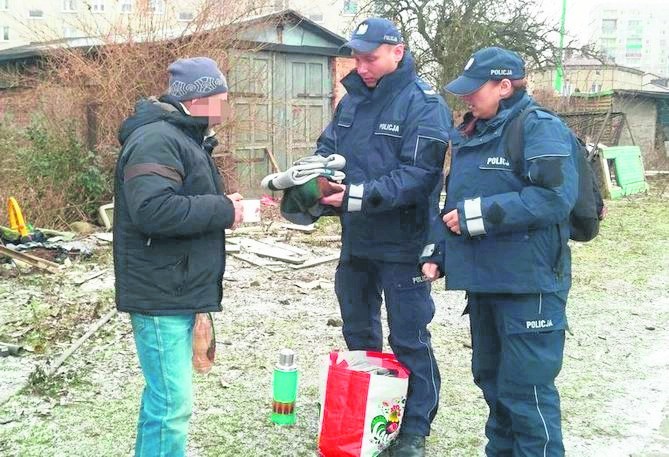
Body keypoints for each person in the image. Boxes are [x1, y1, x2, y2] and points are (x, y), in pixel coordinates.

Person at [423, 47, 579, 456]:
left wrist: (480, 215)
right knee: (492, 383)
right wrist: (439, 250)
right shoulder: (473, 132)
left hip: (530, 286)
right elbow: (457, 202)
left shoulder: (539, 128)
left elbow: (554, 198)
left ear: (505, 86)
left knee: (526, 392)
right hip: (485, 281)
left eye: (476, 89)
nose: (467, 97)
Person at [316, 18, 452, 457]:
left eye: (370, 57)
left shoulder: (424, 104)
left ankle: (414, 429)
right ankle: (369, 408)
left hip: (404, 243)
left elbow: (418, 177)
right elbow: (327, 149)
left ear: (398, 51)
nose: (362, 66)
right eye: (356, 57)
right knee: (358, 331)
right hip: (356, 241)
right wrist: (312, 177)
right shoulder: (352, 100)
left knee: (409, 338)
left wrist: (356, 195)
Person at [113, 56, 243, 457]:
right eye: (221, 95)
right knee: (171, 405)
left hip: (176, 285)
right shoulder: (158, 139)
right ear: (201, 97)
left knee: (164, 403)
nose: (226, 103)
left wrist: (224, 206)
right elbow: (152, 210)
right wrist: (223, 209)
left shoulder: (184, 137)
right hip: (160, 292)